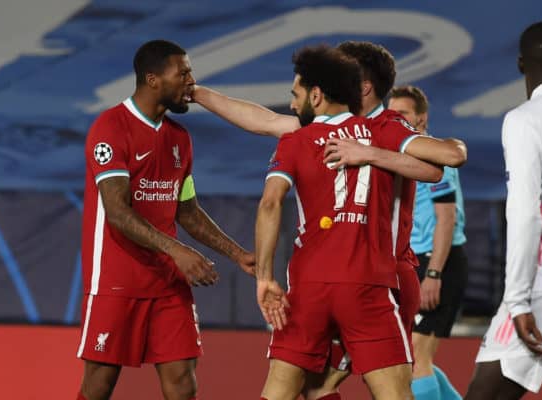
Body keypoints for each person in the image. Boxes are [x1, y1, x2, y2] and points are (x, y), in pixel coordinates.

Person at [192, 40, 467, 400]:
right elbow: (262, 120)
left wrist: (368, 154)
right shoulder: (335, 130)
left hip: (387, 272)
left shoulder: (386, 126)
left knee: (366, 381)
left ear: (360, 85)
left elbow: (441, 164)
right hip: (357, 274)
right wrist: (197, 93)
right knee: (323, 384)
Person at [255, 44, 447, 400]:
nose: (293, 105)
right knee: (393, 392)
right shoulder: (380, 130)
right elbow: (435, 168)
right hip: (367, 281)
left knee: (283, 388)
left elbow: (269, 204)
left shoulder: (295, 141)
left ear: (317, 94)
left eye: (296, 95)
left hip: (309, 283)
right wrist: (379, 156)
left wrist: (265, 278)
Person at [77, 39, 255, 400]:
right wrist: (179, 252)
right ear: (153, 79)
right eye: (184, 73)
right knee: (99, 385)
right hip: (116, 280)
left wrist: (237, 254)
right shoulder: (111, 128)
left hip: (167, 282)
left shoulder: (180, 138)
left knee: (183, 383)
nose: (192, 82)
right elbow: (117, 213)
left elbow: (186, 210)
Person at [465, 21, 542, 399]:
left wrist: (517, 299)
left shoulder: (524, 119)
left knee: (485, 394)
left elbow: (524, 213)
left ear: (520, 64)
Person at [386, 85, 467, 400]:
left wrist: (434, 275)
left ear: (421, 118)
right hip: (413, 264)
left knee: (418, 360)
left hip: (439, 264)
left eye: (403, 113)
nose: (396, 118)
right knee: (412, 361)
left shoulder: (435, 154)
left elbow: (446, 218)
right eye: (392, 113)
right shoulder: (403, 154)